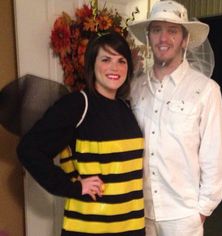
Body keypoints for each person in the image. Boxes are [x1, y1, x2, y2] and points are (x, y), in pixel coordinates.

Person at [17, 31, 145, 236]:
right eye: (106, 59)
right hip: (88, 229)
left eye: (121, 61)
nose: (115, 67)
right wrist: (74, 187)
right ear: (92, 65)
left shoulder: (126, 107)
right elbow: (29, 150)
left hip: (131, 227)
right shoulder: (78, 105)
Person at [128, 1, 222, 236]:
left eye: (172, 31)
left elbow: (213, 158)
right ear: (149, 36)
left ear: (184, 39)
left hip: (183, 217)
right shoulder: (135, 88)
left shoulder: (206, 90)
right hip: (138, 211)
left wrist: (201, 212)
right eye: (157, 30)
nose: (164, 38)